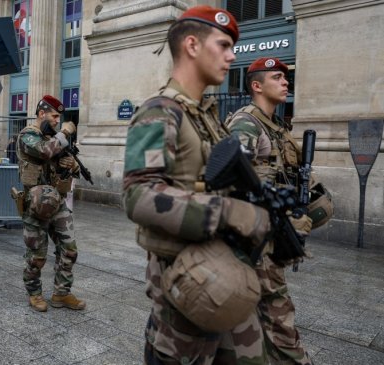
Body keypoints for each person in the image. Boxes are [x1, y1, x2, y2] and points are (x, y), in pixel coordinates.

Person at [123, 6, 271, 364]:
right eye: (223, 44)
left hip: (224, 275)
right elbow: (138, 195)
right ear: (191, 45)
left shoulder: (205, 117)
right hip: (187, 286)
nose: (232, 55)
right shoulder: (160, 112)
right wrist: (227, 212)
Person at [225, 57, 333, 365]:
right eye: (277, 77)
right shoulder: (246, 123)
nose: (286, 82)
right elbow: (230, 184)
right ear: (257, 86)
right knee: (278, 318)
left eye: (286, 78)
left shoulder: (276, 127)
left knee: (249, 322)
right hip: (254, 241)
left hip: (270, 238)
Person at [16, 95, 85, 313]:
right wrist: (65, 132)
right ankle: (34, 294)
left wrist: (72, 165)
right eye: (54, 116)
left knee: (70, 249)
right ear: (41, 113)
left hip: (58, 202)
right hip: (36, 203)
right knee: (37, 255)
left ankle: (61, 293)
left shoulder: (53, 138)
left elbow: (68, 168)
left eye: (59, 117)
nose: (57, 120)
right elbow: (45, 151)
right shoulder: (28, 135)